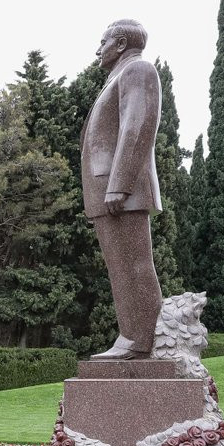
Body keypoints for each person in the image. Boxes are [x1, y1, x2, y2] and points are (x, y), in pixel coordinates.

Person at [81, 19, 164, 360]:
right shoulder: (117, 76)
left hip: (120, 192)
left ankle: (141, 339)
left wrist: (120, 185)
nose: (97, 50)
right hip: (108, 190)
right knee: (120, 267)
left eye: (102, 42)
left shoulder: (138, 70)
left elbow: (137, 125)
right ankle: (132, 336)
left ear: (120, 44)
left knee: (134, 265)